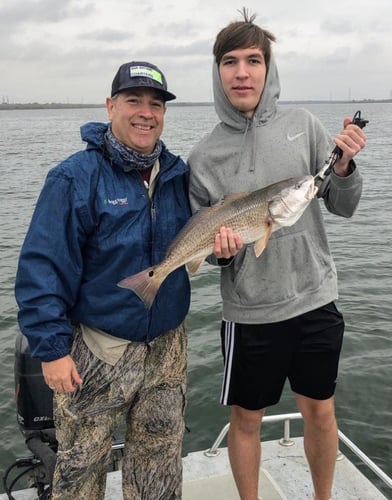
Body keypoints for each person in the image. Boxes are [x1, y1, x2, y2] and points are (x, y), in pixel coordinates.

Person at [14, 60, 235, 500]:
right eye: (133, 101)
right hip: (99, 349)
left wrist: (224, 253)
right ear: (110, 105)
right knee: (80, 471)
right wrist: (52, 350)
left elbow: (196, 248)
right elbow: (42, 269)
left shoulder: (177, 175)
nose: (145, 113)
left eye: (156, 104)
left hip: (168, 349)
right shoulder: (74, 178)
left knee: (159, 466)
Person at [188, 9, 367, 500]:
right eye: (230, 61)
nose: (241, 72)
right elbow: (213, 253)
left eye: (253, 60)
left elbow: (343, 206)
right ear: (217, 71)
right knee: (246, 419)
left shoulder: (304, 125)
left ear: (268, 69)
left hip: (314, 299)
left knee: (321, 411)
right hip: (249, 312)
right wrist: (222, 254)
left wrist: (346, 166)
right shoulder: (203, 158)